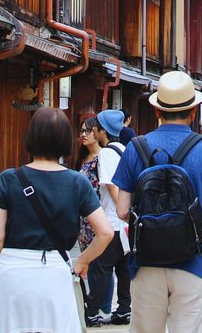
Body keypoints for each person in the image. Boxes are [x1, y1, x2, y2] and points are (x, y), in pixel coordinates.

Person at [114, 71, 202, 333]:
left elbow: (122, 210)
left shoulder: (136, 147)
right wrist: (194, 227)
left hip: (145, 260)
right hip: (192, 259)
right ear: (193, 111)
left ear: (157, 110)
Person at [0, 107, 112, 333]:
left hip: (11, 272)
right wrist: (81, 262)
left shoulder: (8, 179)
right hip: (54, 273)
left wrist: (17, 259)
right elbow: (106, 233)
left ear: (31, 137)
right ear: (66, 142)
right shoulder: (77, 182)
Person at [85, 109, 132, 327]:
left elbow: (112, 186)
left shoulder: (106, 154)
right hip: (125, 224)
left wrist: (122, 211)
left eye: (96, 126)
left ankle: (93, 311)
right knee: (123, 268)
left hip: (113, 221)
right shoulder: (124, 149)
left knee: (101, 267)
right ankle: (124, 310)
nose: (93, 129)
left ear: (102, 130)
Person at [77, 116, 114, 321]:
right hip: (83, 220)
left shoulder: (103, 157)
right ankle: (92, 305)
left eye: (87, 131)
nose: (83, 135)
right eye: (81, 131)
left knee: (101, 264)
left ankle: (103, 308)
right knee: (88, 264)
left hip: (98, 215)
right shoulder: (82, 158)